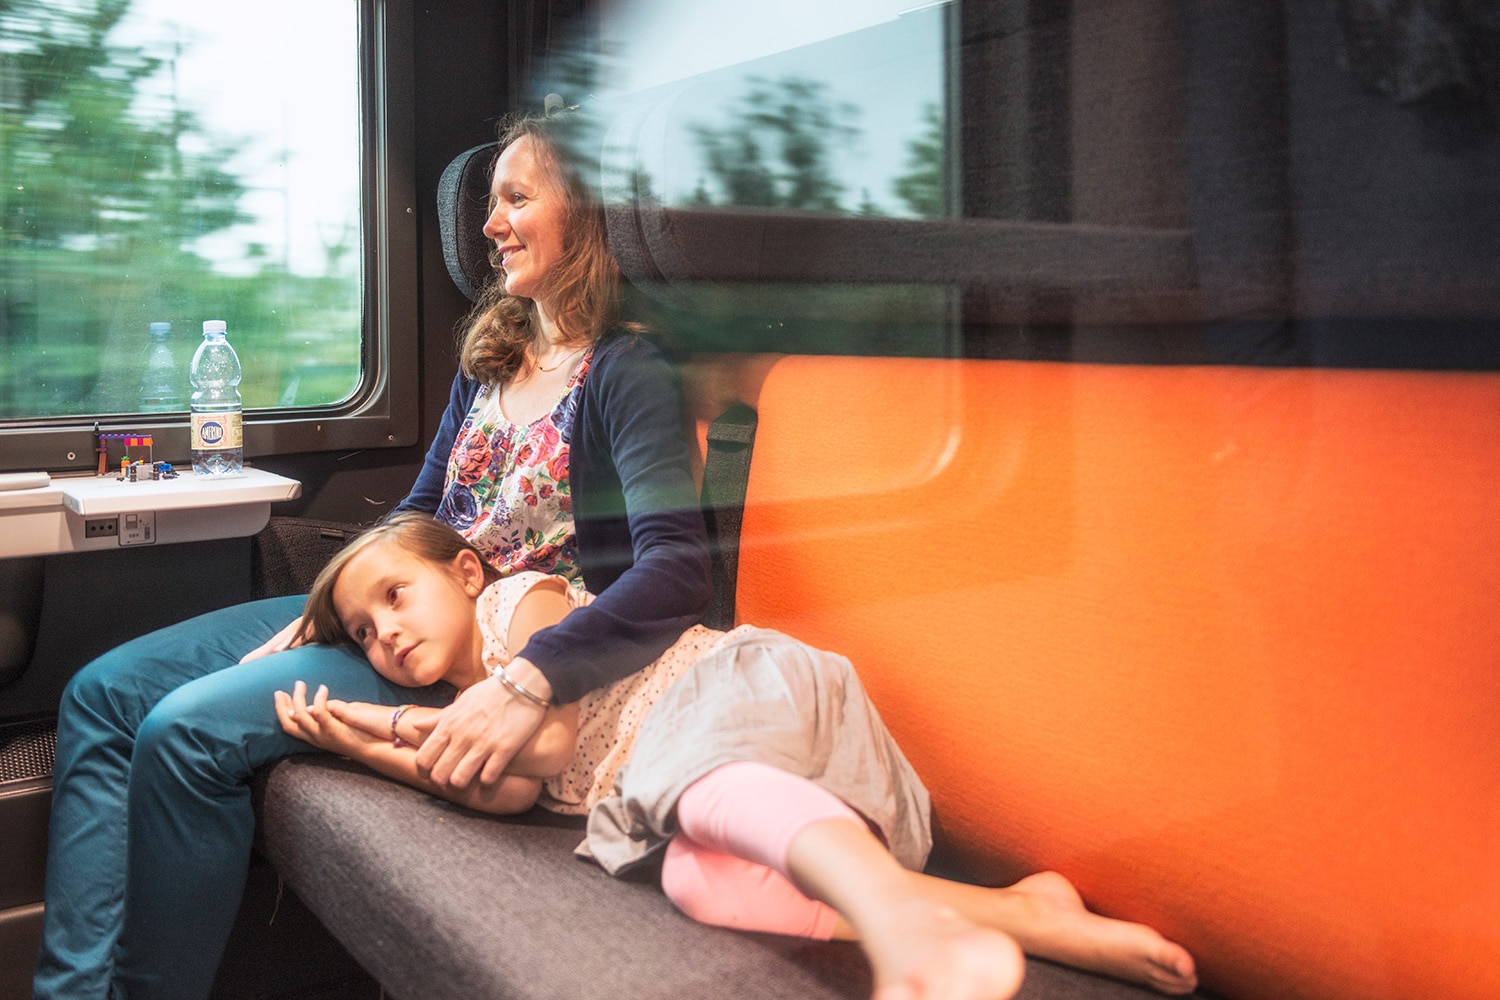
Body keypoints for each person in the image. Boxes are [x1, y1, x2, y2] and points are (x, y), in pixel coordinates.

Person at [35, 107, 712, 1000]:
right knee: (102, 695)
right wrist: (323, 611)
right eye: (489, 202)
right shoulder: (498, 354)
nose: (488, 225)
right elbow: (418, 512)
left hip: (486, 645)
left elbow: (677, 567)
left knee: (184, 732)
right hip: (402, 597)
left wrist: (530, 679)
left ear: (587, 211)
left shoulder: (628, 373)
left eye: (516, 198)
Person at [275, 513, 1200, 1000]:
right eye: (363, 630)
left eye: (395, 597)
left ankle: (911, 936)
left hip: (743, 692)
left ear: (464, 573)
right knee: (699, 880)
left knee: (700, 787)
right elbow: (503, 795)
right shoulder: (456, 708)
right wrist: (359, 745)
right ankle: (1028, 916)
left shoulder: (516, 609)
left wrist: (386, 724)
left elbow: (547, 738)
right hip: (731, 797)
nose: (385, 632)